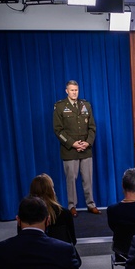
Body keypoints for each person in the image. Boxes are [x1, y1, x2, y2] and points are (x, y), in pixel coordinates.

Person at [52, 79, 99, 216]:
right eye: (72, 90)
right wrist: (72, 143)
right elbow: (58, 130)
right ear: (67, 91)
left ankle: (91, 204)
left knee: (88, 179)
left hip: (86, 149)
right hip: (69, 150)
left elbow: (92, 127)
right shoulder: (60, 107)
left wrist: (88, 142)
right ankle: (72, 206)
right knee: (71, 179)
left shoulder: (86, 105)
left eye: (76, 90)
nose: (74, 92)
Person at [28, 173, 76, 245]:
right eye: (52, 187)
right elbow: (73, 241)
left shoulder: (26, 214)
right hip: (60, 253)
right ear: (51, 192)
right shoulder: (64, 213)